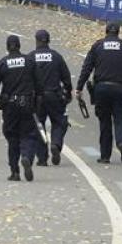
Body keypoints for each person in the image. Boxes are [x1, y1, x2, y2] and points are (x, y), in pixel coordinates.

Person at [76, 22, 122, 165]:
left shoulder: (98, 45)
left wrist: (79, 87)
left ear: (106, 32)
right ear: (118, 32)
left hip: (101, 88)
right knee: (121, 119)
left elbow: (86, 68)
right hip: (120, 88)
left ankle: (105, 155)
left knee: (104, 121)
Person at [0, 35, 39, 181]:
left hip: (10, 105)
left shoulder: (2, 63)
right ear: (19, 45)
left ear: (7, 47)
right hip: (27, 104)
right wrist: (37, 102)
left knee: (12, 138)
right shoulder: (29, 61)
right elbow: (39, 83)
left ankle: (14, 171)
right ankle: (27, 157)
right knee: (29, 134)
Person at [29, 30, 72, 167]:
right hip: (55, 96)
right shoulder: (56, 57)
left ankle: (42, 158)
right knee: (59, 122)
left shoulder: (30, 57)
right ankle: (56, 143)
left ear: (36, 40)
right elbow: (66, 78)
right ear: (48, 41)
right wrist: (68, 93)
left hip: (37, 98)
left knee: (38, 126)